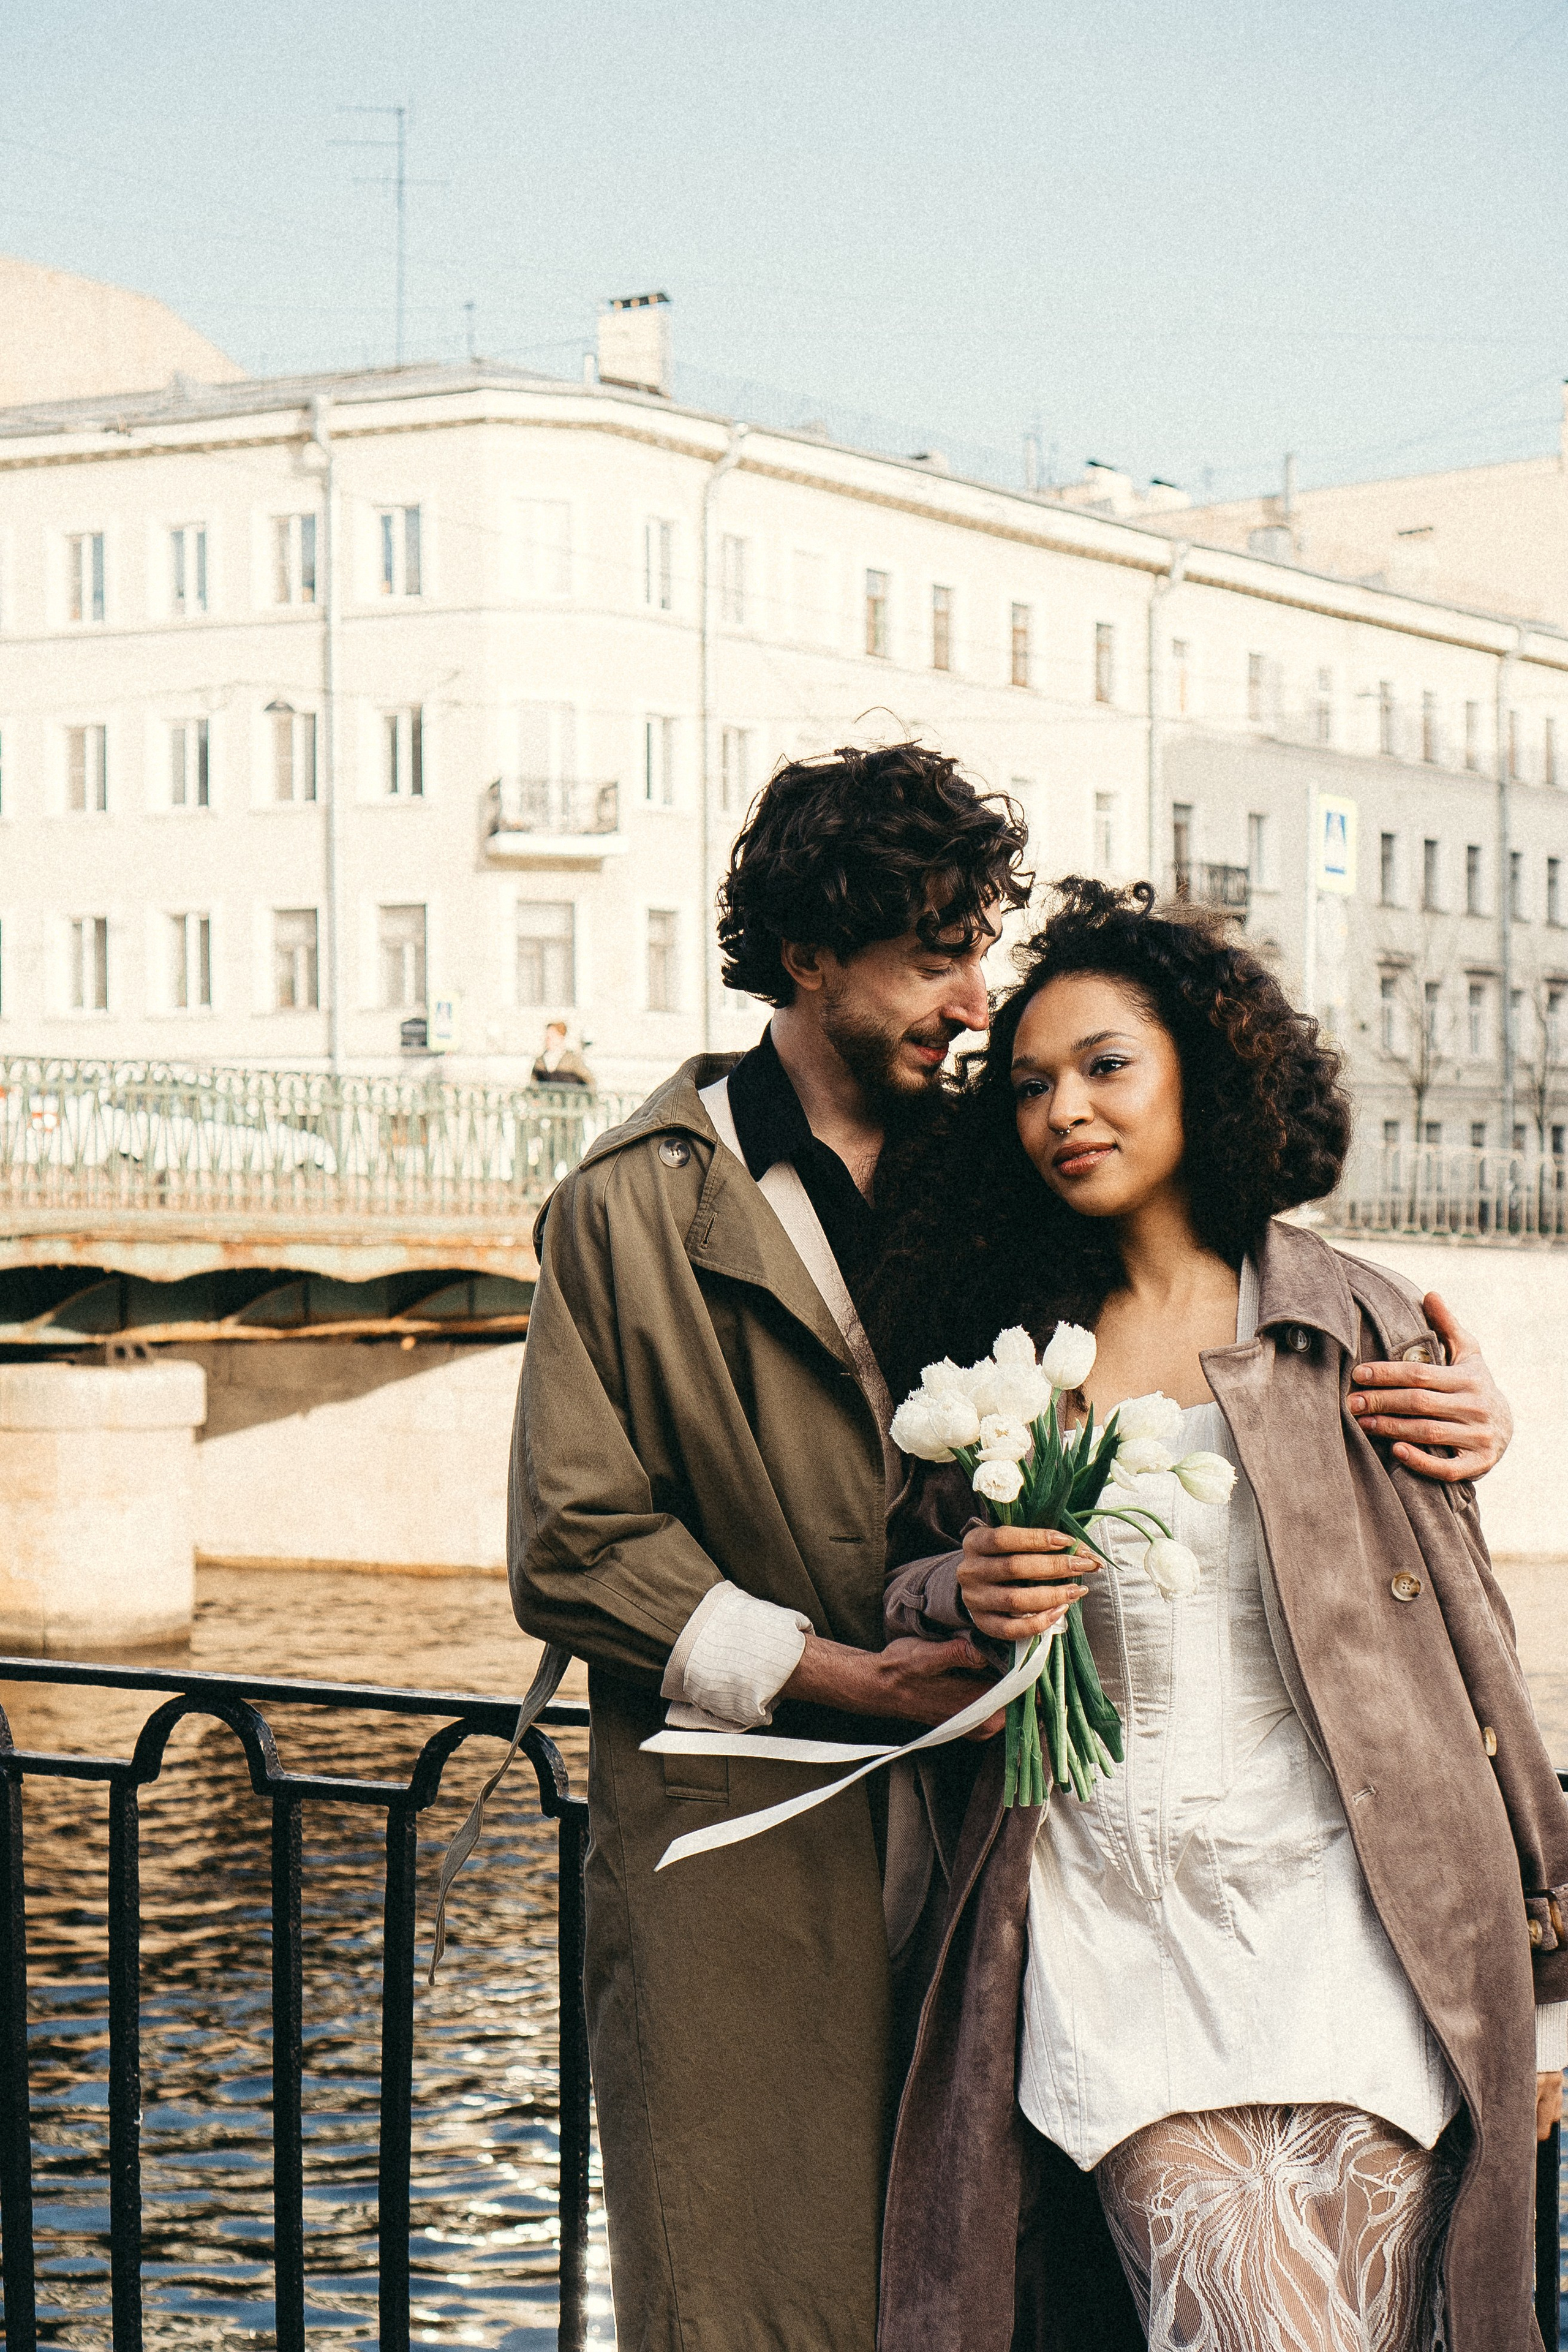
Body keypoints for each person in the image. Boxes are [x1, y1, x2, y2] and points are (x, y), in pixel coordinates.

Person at [511, 749, 1512, 2352]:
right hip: (765, 1856)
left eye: (980, 953)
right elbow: (573, 1546)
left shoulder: (1006, 1165)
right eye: (933, 960)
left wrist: (1456, 1415)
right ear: (809, 956)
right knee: (759, 2300)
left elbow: (1241, 1322)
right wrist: (847, 1675)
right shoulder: (630, 1208)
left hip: (1030, 1864)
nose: (977, 1006)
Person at [872, 880, 1567, 2352]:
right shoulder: (1006, 1349)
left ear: (1203, 1069)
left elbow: (1474, 1662)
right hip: (1109, 1938)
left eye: (1104, 1065)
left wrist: (1550, 1985)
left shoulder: (1349, 1323)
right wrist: (965, 1588)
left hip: (1354, 1941)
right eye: (1028, 1085)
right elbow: (903, 1581)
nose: (1063, 1109)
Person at [532, 1018, 594, 1088]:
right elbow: (533, 1084)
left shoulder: (572, 1060)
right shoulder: (540, 1062)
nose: (548, 1039)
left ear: (561, 1037)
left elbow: (590, 1081)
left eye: (552, 1036)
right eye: (547, 1036)